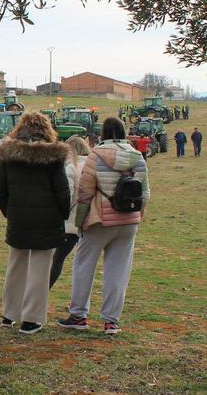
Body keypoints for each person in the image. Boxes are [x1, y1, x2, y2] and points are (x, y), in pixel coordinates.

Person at [59, 117, 149, 335]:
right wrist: (138, 216)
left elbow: (84, 194)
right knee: (118, 271)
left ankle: (78, 315)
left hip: (99, 220)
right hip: (128, 220)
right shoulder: (138, 158)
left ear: (102, 134)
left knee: (84, 266)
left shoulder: (95, 156)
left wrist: (80, 222)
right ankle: (111, 321)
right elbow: (145, 194)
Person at [0, 112, 70, 335]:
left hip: (18, 218)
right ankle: (32, 319)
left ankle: (9, 314)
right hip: (48, 219)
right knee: (40, 269)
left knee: (15, 266)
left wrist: (9, 212)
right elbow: (62, 191)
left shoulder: (8, 154)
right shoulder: (54, 156)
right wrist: (63, 215)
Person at [50, 135, 91, 289]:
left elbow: (66, 196)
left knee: (57, 259)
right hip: (92, 221)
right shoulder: (94, 166)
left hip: (71, 223)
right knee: (84, 263)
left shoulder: (71, 167)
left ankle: (43, 291)